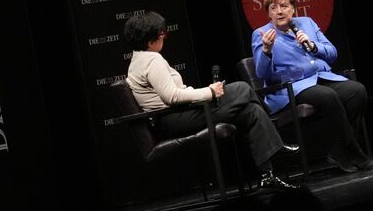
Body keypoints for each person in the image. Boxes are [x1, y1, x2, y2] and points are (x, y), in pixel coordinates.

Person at [123, 11, 299, 189]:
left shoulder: (138, 60)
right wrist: (209, 92)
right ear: (149, 37)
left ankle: (267, 174)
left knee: (251, 111)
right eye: (161, 33)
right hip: (173, 119)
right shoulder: (153, 60)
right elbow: (172, 96)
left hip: (175, 116)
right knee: (242, 88)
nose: (164, 37)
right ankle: (275, 134)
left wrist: (205, 92)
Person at [251, 0, 373, 173]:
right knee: (328, 96)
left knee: (356, 91)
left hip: (321, 77)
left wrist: (313, 45)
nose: (279, 12)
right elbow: (261, 73)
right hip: (292, 88)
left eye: (283, 6)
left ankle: (339, 150)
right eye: (273, 8)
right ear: (268, 12)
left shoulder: (306, 23)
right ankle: (354, 150)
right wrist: (267, 50)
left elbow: (332, 53)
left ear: (293, 8)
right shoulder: (262, 34)